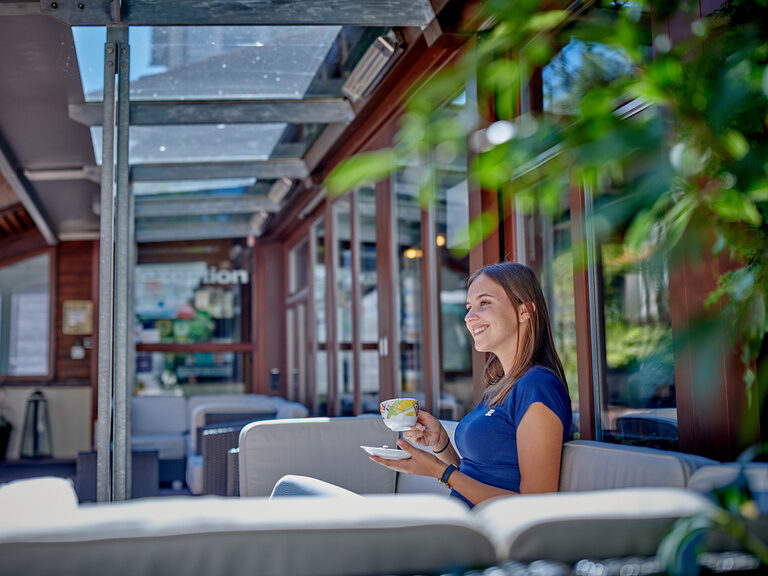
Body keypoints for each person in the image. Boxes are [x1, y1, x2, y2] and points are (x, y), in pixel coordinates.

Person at [369, 262, 572, 507]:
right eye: (469, 307)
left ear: (524, 311)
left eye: (484, 303)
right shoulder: (501, 387)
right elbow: (475, 476)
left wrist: (439, 472)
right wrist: (439, 442)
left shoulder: (538, 387)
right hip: (465, 528)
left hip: (491, 538)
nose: (469, 317)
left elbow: (536, 505)